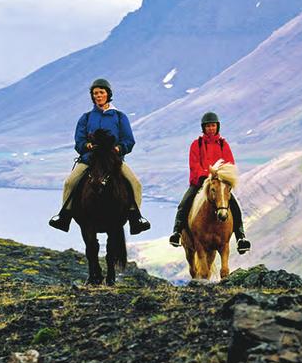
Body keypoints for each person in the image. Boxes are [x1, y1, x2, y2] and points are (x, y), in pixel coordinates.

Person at [48, 78, 151, 234]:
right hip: (90, 159)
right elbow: (79, 140)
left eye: (101, 92)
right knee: (69, 183)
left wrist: (118, 149)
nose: (98, 95)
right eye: (95, 93)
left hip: (112, 160)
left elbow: (129, 140)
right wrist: (86, 146)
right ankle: (64, 216)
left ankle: (135, 217)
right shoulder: (86, 117)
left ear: (107, 94)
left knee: (136, 184)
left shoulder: (119, 117)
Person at [168, 111, 250, 253]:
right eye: (208, 126)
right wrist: (206, 175)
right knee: (184, 204)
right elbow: (194, 165)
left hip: (219, 184)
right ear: (203, 128)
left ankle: (241, 238)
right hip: (200, 182)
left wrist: (219, 176)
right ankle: (177, 233)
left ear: (217, 127)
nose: (211, 129)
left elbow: (229, 164)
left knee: (235, 207)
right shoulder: (196, 145)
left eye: (213, 126)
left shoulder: (224, 145)